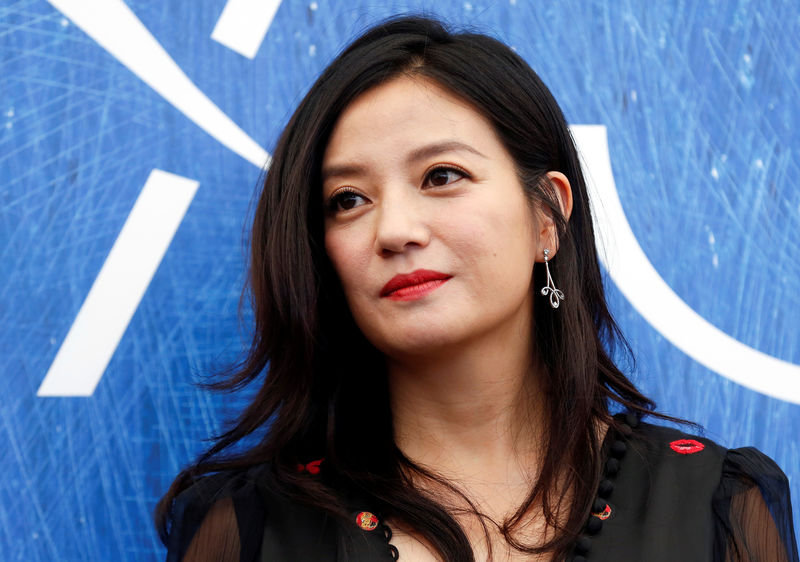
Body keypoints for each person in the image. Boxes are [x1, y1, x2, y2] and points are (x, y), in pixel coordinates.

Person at [155, 16, 798, 562]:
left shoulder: (717, 505)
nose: (395, 230)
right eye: (348, 199)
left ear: (546, 216)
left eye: (441, 175)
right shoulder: (247, 531)